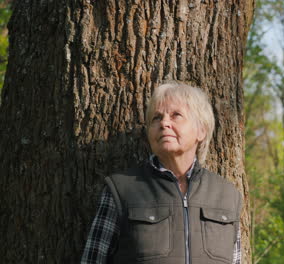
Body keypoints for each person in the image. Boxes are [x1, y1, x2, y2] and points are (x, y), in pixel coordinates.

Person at [81, 82, 242, 264]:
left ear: (201, 131)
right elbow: (92, 260)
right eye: (156, 118)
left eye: (176, 115)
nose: (164, 123)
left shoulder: (228, 195)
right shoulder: (120, 190)